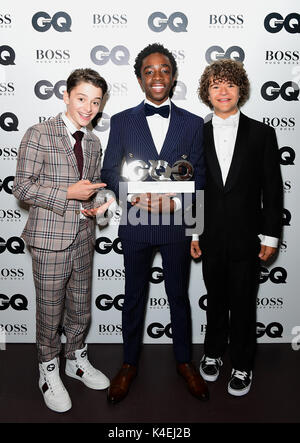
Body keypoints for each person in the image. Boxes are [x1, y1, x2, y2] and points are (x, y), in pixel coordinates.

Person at [101, 43, 208, 403]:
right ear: (139, 78)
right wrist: (133, 197)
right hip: (135, 220)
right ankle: (129, 363)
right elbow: (109, 170)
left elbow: (201, 175)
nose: (157, 76)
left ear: (173, 76)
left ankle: (184, 362)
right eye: (149, 70)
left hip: (177, 224)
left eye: (164, 70)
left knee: (178, 296)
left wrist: (183, 212)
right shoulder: (121, 121)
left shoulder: (193, 123)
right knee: (133, 297)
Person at [13, 68, 113, 413]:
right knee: (50, 311)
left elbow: (93, 189)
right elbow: (21, 188)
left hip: (83, 237)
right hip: (49, 239)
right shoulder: (39, 134)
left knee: (81, 309)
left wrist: (98, 206)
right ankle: (48, 368)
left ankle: (76, 358)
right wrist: (67, 193)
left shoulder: (94, 142)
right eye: (82, 98)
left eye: (95, 102)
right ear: (67, 96)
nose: (88, 107)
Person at [191, 59, 283, 396]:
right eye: (216, 85)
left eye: (229, 84)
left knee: (244, 302)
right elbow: (193, 190)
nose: (223, 90)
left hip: (248, 237)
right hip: (211, 236)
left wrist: (271, 234)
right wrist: (194, 231)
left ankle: (243, 364)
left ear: (240, 89)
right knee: (215, 299)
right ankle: (213, 353)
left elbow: (272, 191)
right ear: (207, 93)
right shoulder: (195, 134)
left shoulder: (262, 134)